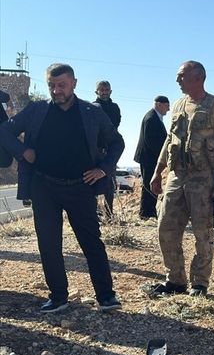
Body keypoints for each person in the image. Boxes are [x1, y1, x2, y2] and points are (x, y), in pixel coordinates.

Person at [0, 63, 124, 312]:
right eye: (52, 86)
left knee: (92, 242)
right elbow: (4, 130)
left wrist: (103, 169)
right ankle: (58, 297)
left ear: (74, 84)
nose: (57, 91)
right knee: (49, 244)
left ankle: (106, 296)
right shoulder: (37, 110)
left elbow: (116, 142)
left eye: (62, 85)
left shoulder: (92, 112)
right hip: (44, 187)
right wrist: (23, 152)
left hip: (80, 187)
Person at [148, 61, 214, 297]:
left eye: (181, 76)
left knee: (202, 232)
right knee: (166, 228)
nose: (177, 80)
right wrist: (158, 171)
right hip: (177, 176)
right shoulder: (177, 105)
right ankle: (175, 280)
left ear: (198, 78)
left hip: (204, 178)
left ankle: (199, 283)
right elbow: (169, 140)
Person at [133, 95, 169, 219]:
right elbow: (151, 141)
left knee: (151, 184)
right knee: (149, 184)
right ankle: (146, 212)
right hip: (149, 158)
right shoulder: (151, 118)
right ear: (159, 104)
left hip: (151, 157)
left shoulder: (155, 117)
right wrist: (162, 156)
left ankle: (150, 211)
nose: (168, 109)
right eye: (167, 106)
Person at [94, 80, 122, 217]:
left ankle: (109, 213)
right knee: (92, 180)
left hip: (110, 148)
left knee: (109, 183)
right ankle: (93, 212)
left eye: (106, 90)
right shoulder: (92, 107)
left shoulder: (115, 108)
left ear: (110, 91)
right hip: (95, 148)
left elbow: (115, 125)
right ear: (97, 91)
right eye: (102, 90)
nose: (104, 92)